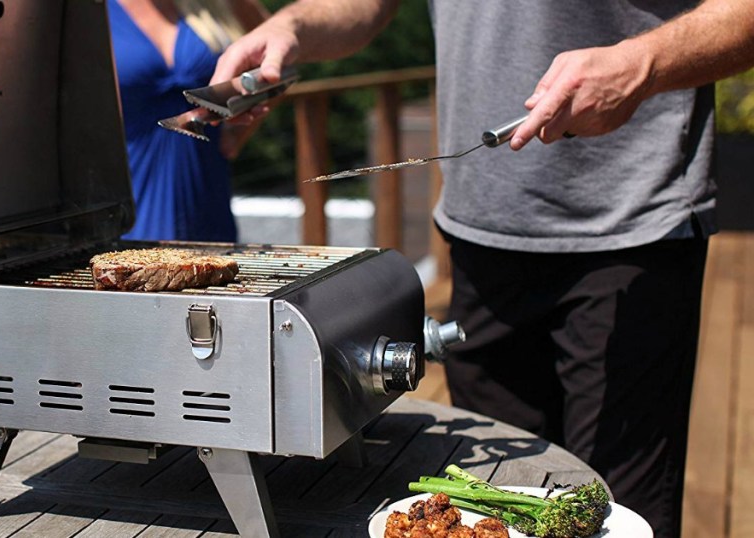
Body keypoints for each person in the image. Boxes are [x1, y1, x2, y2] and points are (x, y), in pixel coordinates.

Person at [209, 2, 754, 537]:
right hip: (476, 242)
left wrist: (644, 63)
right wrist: (291, 25)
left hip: (633, 234)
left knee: (620, 512)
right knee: (496, 506)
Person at [109, 0, 268, 242]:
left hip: (206, 188)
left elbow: (275, 57)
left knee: (212, 268)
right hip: (125, 188)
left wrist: (236, 133)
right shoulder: (85, 10)